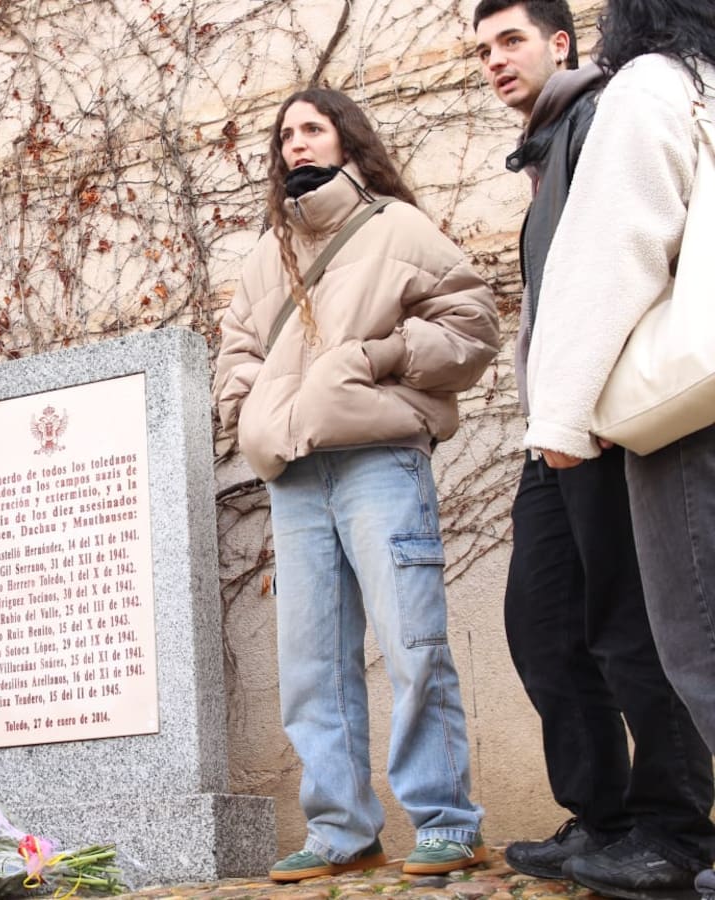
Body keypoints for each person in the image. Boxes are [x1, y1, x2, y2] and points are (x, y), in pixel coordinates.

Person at [214, 88, 499, 882]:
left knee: (412, 644)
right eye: (285, 136)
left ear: (346, 140)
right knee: (312, 662)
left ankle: (447, 822)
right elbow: (234, 353)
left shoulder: (396, 228)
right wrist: (252, 413)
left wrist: (378, 361)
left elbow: (473, 327)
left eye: (312, 128)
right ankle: (342, 831)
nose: (296, 144)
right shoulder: (264, 256)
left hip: (380, 460)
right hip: (295, 477)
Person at [473, 0, 715, 883]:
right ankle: (603, 818)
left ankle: (674, 828)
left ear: (564, 42)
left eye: (512, 40)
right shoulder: (547, 145)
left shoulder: (620, 104)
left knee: (634, 630)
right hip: (560, 425)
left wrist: (569, 414)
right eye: (483, 49)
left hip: (613, 418)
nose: (495, 60)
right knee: (542, 627)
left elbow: (619, 261)